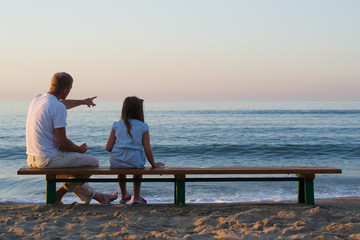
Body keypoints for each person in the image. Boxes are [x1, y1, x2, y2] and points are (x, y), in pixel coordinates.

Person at [26, 72, 118, 204]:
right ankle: (58, 195)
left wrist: (82, 101)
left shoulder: (38, 99)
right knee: (93, 163)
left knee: (73, 175)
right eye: (69, 89)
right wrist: (78, 150)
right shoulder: (57, 107)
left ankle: (101, 197)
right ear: (65, 89)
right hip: (47, 159)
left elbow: (61, 104)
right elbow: (62, 142)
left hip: (32, 158)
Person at [106, 96, 165, 205]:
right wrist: (154, 164)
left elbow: (108, 147)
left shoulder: (116, 125)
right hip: (135, 160)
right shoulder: (143, 126)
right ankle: (136, 196)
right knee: (137, 169)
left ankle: (124, 195)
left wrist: (120, 153)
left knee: (120, 169)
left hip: (116, 160)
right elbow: (147, 150)